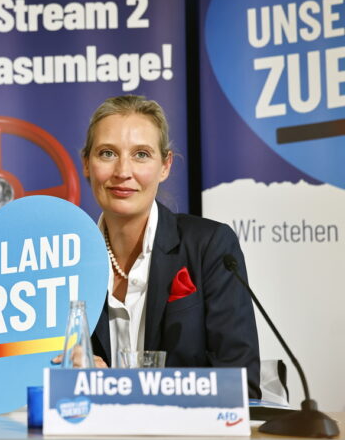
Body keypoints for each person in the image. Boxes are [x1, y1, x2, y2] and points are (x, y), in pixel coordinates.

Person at [81, 95, 261, 398]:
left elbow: (241, 384)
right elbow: (26, 372)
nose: (123, 171)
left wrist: (116, 386)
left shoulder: (210, 246)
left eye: (141, 155)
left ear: (165, 166)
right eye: (108, 153)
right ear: (86, 164)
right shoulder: (64, 256)